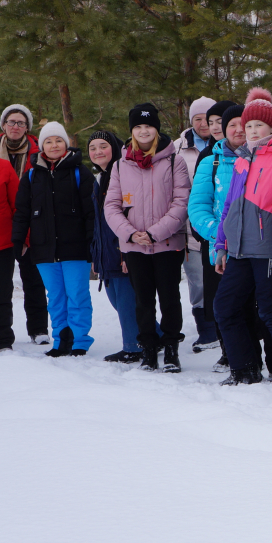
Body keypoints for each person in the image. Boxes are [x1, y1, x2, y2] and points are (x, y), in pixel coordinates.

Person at [213, 89, 272, 389]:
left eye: (258, 126)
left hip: (268, 250)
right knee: (225, 307)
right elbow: (228, 207)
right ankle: (245, 368)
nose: (250, 131)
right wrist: (222, 244)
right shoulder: (241, 161)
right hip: (238, 251)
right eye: (247, 126)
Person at [104, 103, 191, 372]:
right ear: (131, 132)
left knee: (169, 298)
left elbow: (181, 201)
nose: (144, 131)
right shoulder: (120, 165)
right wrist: (131, 234)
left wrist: (154, 233)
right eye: (138, 127)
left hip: (167, 244)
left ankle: (171, 349)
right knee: (142, 301)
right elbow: (111, 206)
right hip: (134, 246)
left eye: (148, 126)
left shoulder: (174, 161)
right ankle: (149, 349)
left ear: (157, 129)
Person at [189, 102, 268, 374]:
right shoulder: (211, 160)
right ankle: (241, 363)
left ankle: (267, 363)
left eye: (242, 124)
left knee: (260, 309)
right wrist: (219, 233)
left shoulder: (262, 158)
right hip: (224, 251)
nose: (237, 130)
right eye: (231, 125)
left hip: (259, 249)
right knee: (230, 308)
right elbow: (198, 206)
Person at [12, 122, 95, 357]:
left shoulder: (80, 172)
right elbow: (22, 213)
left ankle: (80, 340)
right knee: (55, 297)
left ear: (66, 144)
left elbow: (91, 212)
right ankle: (61, 339)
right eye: (48, 141)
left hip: (75, 248)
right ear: (42, 146)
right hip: (44, 249)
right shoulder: (31, 175)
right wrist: (18, 241)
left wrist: (91, 242)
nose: (54, 145)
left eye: (58, 140)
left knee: (77, 294)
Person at [0, 104, 48, 343]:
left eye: (21, 123)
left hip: (32, 220)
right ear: (3, 125)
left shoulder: (38, 152)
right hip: (0, 228)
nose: (15, 126)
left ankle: (38, 329)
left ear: (27, 128)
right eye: (11, 122)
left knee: (33, 279)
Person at [87, 130, 141, 363]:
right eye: (93, 148)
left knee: (127, 302)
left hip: (121, 249)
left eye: (103, 146)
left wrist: (126, 250)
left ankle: (133, 345)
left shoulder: (123, 174)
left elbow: (131, 214)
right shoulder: (100, 178)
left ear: (115, 148)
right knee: (116, 301)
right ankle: (155, 335)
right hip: (105, 251)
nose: (97, 151)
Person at [173, 96, 217, 353]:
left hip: (221, 224)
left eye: (208, 118)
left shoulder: (228, 142)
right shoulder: (178, 147)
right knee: (197, 279)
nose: (203, 124)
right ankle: (206, 329)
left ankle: (224, 326)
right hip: (190, 226)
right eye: (198, 119)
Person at [0, 131, 20, 353]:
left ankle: (1, 341)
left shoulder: (3, 167)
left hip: (0, 245)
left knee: (0, 294)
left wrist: (21, 237)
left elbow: (18, 205)